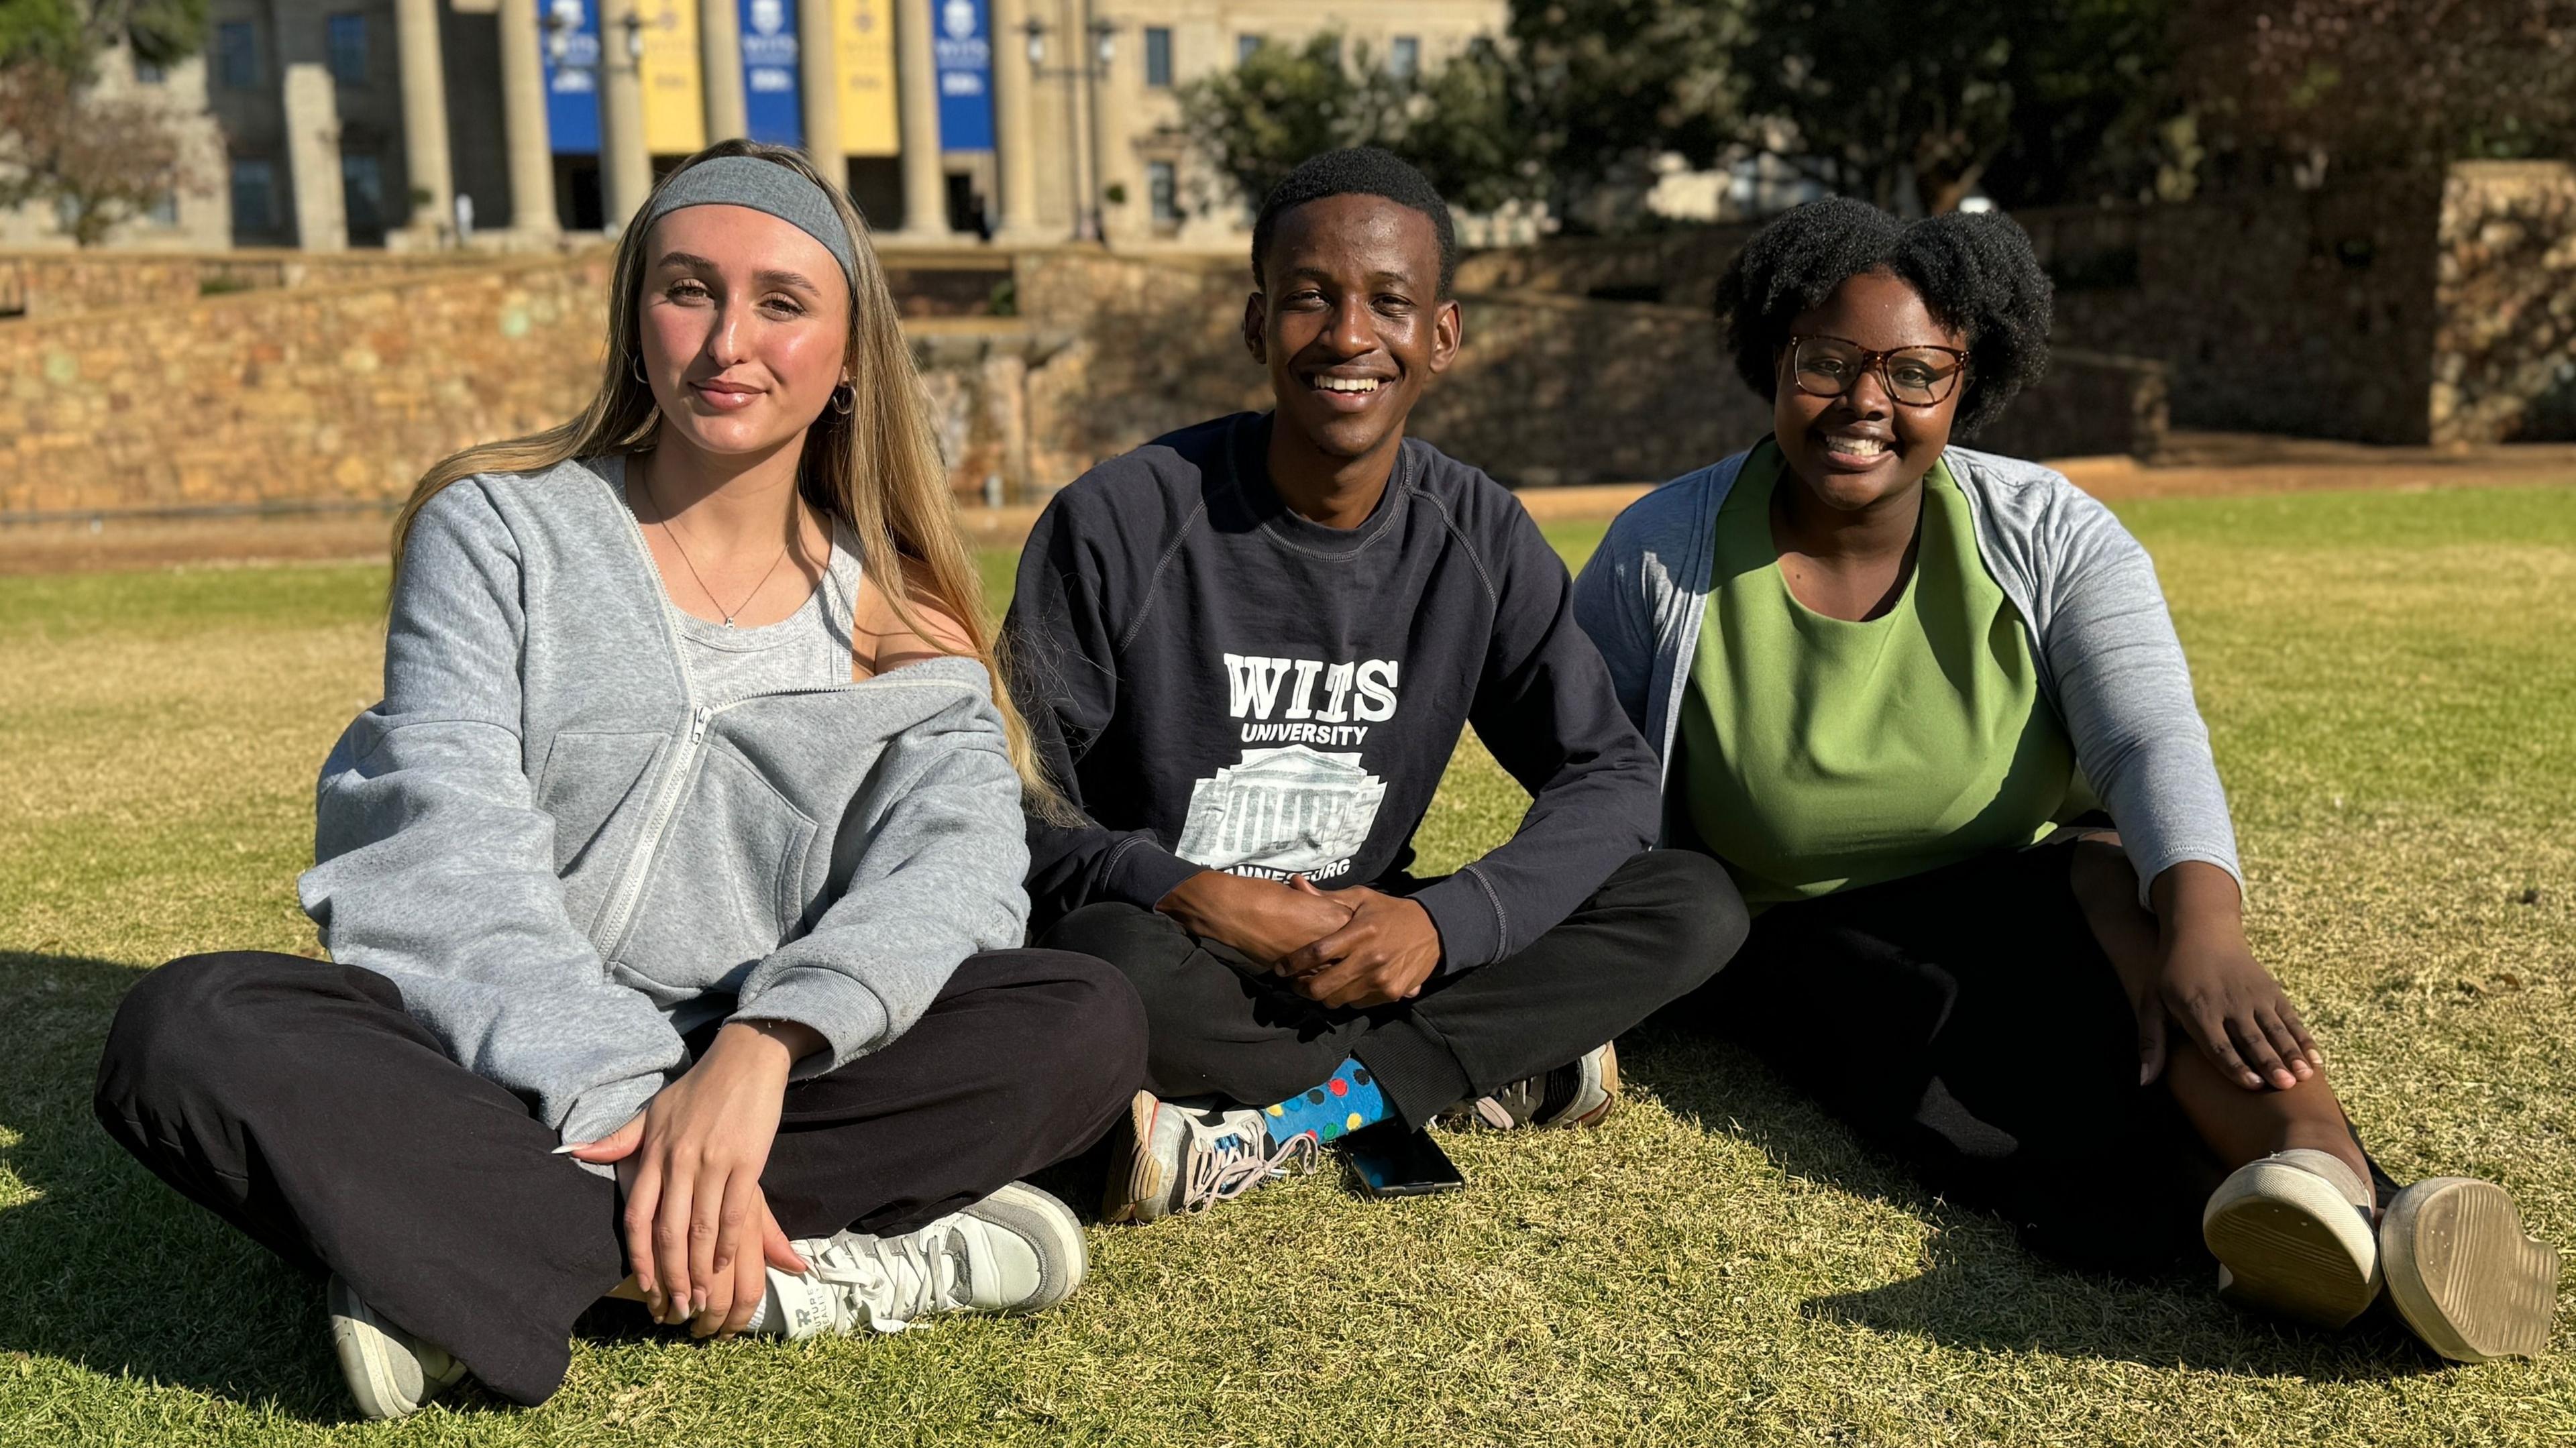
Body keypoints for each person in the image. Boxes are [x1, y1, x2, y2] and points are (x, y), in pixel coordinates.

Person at [91, 141, 1148, 1420]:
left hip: (766, 1078)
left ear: (854, 351)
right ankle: (787, 1275)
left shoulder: (901, 612)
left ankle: (454, 1254)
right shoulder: (499, 532)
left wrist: (765, 1045)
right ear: (634, 314)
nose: (726, 344)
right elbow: (439, 839)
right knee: (189, 1028)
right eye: (688, 289)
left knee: (1082, 1019)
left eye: (782, 302)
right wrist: (629, 1101)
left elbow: (960, 871)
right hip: (490, 1059)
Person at [1572, 197, 2558, 1361]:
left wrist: (2208, 926)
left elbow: (2147, 740)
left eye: (1915, 372)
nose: (1863, 403)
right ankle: (2306, 1235)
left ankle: (2340, 1184)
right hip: (1800, 921)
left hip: (2023, 876)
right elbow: (1588, 774)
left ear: (1970, 379)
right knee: (2007, 1072)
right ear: (1774, 359)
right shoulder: (1661, 550)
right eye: (1827, 361)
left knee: (2157, 957)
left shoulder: (2047, 528)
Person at [1006, 148, 1747, 1225]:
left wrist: (1442, 928)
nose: (1350, 337)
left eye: (1389, 303)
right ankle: (1487, 1065)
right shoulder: (1118, 519)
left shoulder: (1479, 530)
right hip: (1184, 944)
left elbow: (1611, 777)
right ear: (1257, 325)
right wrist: (1189, 889)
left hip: (1377, 948)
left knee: (1692, 904)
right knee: (1100, 969)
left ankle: (1289, 1117)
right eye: (1311, 298)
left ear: (1440, 335)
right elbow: (1009, 795)